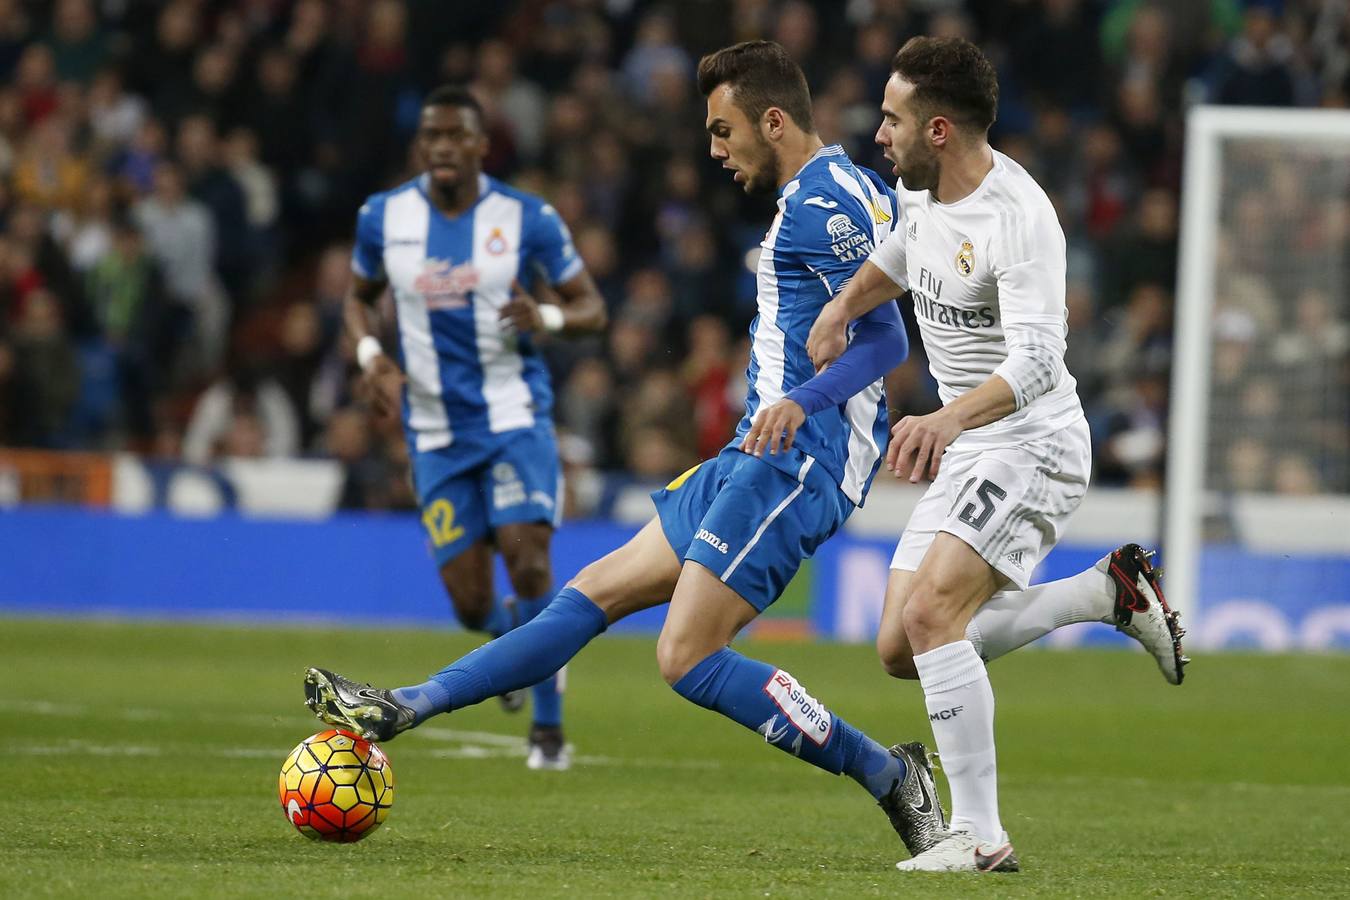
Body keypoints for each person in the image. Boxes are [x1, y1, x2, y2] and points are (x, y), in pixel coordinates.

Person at [304, 41, 949, 860]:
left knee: (685, 655)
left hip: (801, 458)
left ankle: (892, 776)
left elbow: (886, 339)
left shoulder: (826, 202)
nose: (714, 150)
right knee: (589, 593)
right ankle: (404, 705)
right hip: (754, 449)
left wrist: (800, 401)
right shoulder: (829, 193)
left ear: (773, 120)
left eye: (723, 131)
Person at [800, 37, 1188, 873]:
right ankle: (1105, 595)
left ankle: (977, 837)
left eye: (892, 118)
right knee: (902, 650)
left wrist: (945, 419)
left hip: (1032, 442)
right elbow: (902, 259)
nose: (878, 133)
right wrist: (841, 308)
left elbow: (1041, 359)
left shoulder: (1017, 217)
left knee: (934, 617)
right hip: (975, 440)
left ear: (938, 129)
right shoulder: (926, 194)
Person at [343, 86, 608, 769]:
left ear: (481, 145)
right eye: (431, 136)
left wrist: (545, 317)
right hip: (432, 431)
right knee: (469, 605)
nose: (442, 148)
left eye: (456, 136)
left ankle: (548, 731)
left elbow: (591, 309)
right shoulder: (384, 217)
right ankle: (516, 645)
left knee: (528, 561)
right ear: (420, 145)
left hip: (514, 417)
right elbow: (357, 299)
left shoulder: (526, 219)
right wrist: (371, 355)